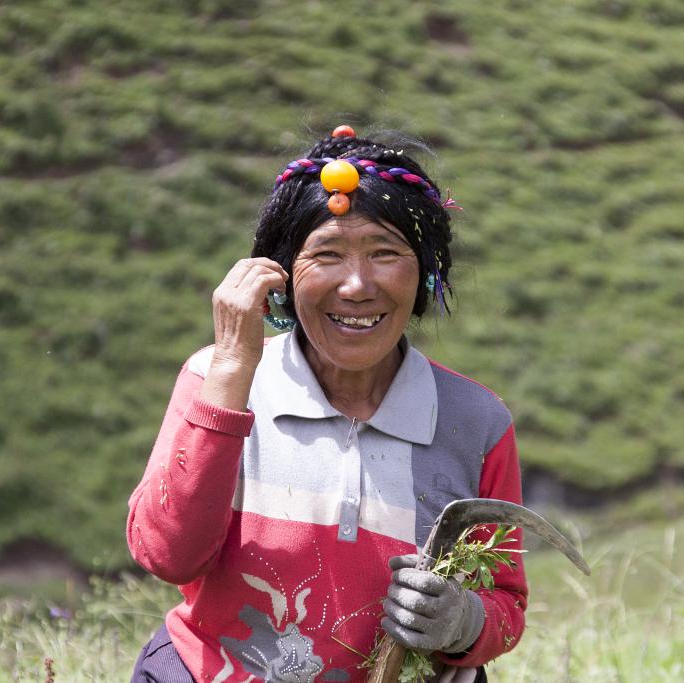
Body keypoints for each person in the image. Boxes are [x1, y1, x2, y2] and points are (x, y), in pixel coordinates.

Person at [127, 126, 527, 683]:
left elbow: (506, 604)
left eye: (386, 253)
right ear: (283, 277)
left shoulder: (476, 423)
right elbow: (167, 557)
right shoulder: (217, 378)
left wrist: (463, 622)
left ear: (426, 274)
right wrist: (229, 374)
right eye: (328, 254)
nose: (357, 285)